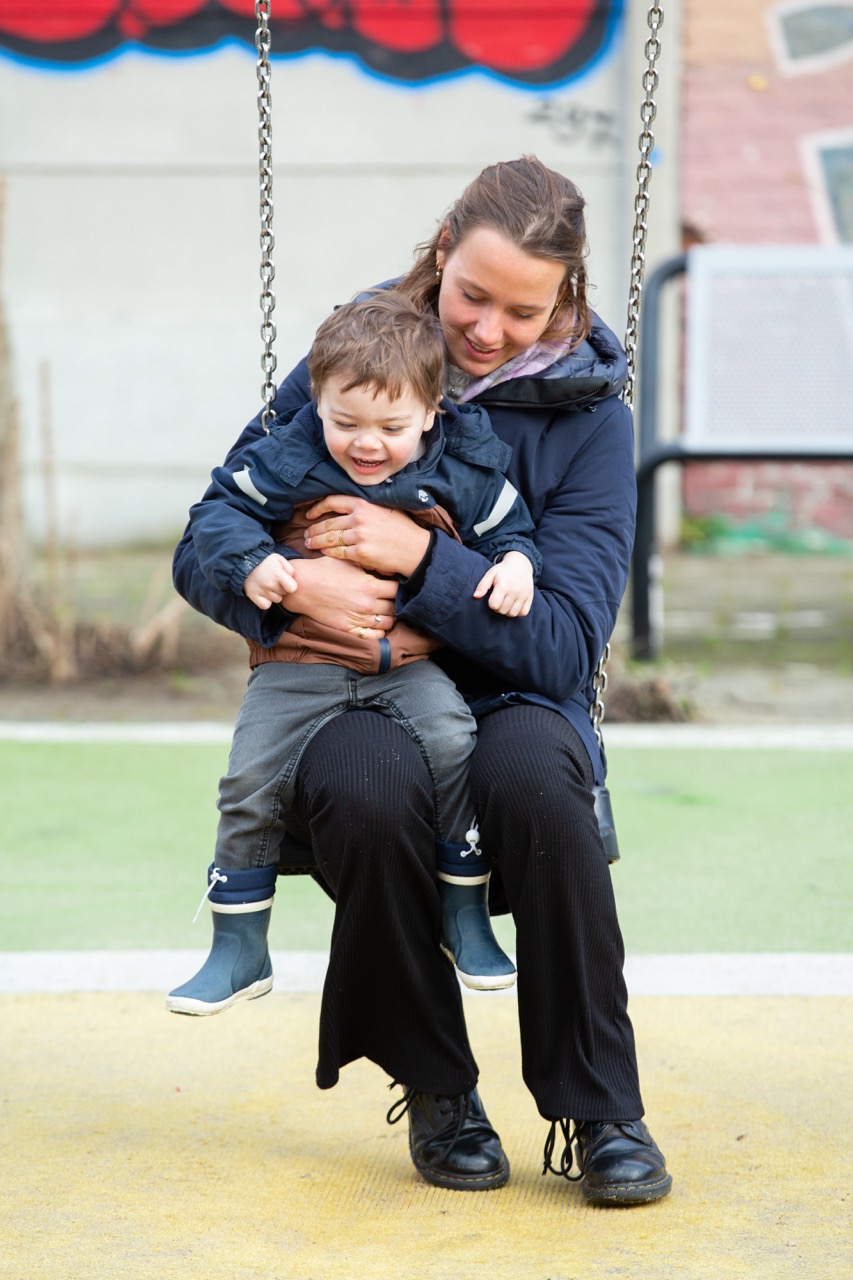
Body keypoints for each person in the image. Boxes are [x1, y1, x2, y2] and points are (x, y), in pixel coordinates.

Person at [172, 156, 673, 1207]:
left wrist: (415, 558)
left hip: (511, 695)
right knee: (359, 782)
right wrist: (288, 587)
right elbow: (207, 538)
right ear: (442, 252)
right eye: (471, 295)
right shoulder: (360, 362)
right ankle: (438, 1085)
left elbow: (566, 645)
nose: (485, 329)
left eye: (521, 310)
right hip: (354, 683)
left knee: (538, 775)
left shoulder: (589, 420)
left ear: (566, 298)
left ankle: (599, 1105)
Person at [167, 292, 541, 1010]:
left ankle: (463, 916)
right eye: (345, 423)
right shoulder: (291, 457)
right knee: (247, 780)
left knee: (453, 742)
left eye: (391, 427)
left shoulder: (460, 467)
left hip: (405, 668)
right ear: (317, 402)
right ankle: (238, 946)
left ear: (432, 411)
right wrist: (252, 561)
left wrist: (516, 565)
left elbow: (509, 528)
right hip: (298, 668)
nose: (367, 444)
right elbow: (217, 513)